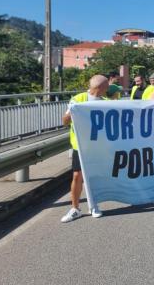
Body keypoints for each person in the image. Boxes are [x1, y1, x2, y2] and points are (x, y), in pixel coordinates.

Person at [61, 75, 109, 223]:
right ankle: (75, 208)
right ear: (100, 88)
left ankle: (93, 206)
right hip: (80, 146)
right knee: (77, 176)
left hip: (97, 146)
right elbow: (65, 121)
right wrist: (70, 113)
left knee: (95, 176)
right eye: (106, 86)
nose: (108, 89)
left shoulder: (106, 102)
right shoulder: (78, 99)